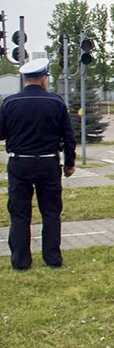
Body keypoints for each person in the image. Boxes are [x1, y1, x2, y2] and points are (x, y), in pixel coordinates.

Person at [0, 58, 76, 270]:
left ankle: (20, 261)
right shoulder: (56, 102)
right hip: (48, 163)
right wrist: (69, 162)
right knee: (51, 212)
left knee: (19, 213)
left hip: (19, 163)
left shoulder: (9, 103)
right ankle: (52, 258)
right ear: (44, 79)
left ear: (24, 79)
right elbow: (68, 137)